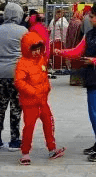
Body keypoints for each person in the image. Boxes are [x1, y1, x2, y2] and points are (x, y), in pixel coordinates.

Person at [55, 1, 96, 162]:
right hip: (92, 77)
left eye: (92, 16)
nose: (89, 19)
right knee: (94, 114)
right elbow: (78, 51)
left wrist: (95, 60)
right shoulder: (91, 34)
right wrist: (60, 52)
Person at [14, 31, 65, 165]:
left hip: (42, 100)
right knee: (29, 127)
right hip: (30, 102)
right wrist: (33, 91)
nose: (37, 52)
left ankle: (52, 148)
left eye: (38, 49)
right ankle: (25, 153)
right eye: (34, 50)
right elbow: (19, 82)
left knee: (49, 123)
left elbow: (43, 76)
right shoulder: (22, 63)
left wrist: (46, 87)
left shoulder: (41, 59)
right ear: (27, 49)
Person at [0, 3, 28, 150]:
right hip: (17, 73)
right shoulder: (23, 30)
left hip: (0, 72)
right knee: (15, 107)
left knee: (0, 106)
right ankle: (14, 140)